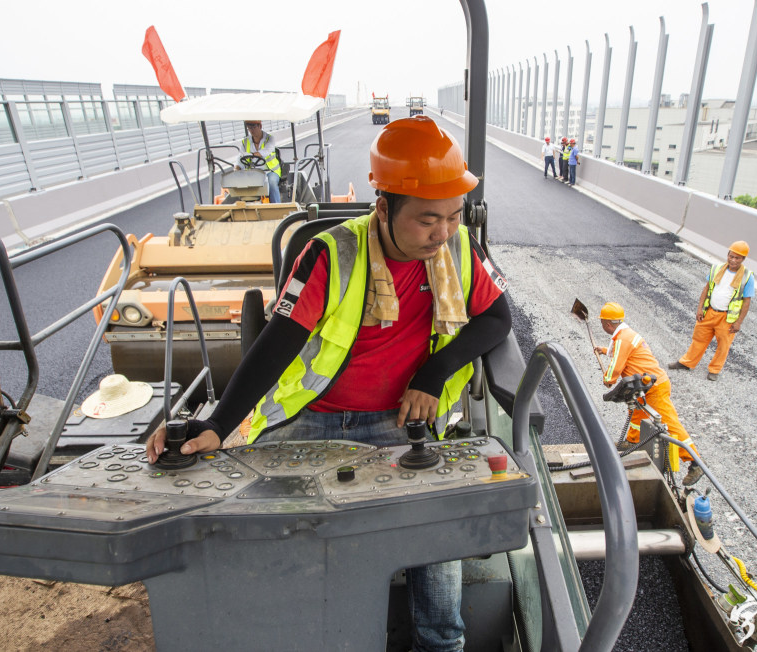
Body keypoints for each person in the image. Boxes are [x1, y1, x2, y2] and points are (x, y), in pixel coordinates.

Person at [147, 115, 512, 652]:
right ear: (383, 208)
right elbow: (277, 342)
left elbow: (496, 318)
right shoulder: (332, 253)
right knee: (252, 526)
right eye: (427, 220)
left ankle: (442, 645)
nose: (442, 234)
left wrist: (431, 375)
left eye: (454, 217)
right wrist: (219, 424)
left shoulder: (457, 253)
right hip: (312, 422)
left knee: (439, 534)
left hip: (399, 426)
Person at [594, 302, 704, 486]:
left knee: (670, 423)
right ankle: (632, 440)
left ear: (606, 323)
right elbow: (621, 353)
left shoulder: (623, 338)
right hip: (645, 386)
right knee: (636, 413)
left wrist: (608, 379)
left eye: (602, 323)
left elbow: (617, 366)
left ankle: (695, 462)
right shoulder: (624, 334)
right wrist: (604, 350)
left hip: (654, 386)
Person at [669, 241, 754, 381]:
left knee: (723, 345)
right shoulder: (716, 269)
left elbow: (747, 301)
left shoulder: (747, 277)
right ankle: (687, 362)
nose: (733, 260)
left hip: (727, 318)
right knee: (699, 339)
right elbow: (707, 288)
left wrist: (739, 322)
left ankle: (714, 370)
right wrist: (700, 308)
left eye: (737, 258)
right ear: (728, 255)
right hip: (709, 312)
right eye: (731, 256)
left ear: (743, 259)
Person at [236, 120, 282, 202]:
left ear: (260, 126)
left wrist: (251, 155)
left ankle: (276, 207)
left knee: (272, 183)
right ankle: (246, 207)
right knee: (240, 184)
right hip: (253, 172)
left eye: (254, 127)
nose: (252, 130)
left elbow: (266, 151)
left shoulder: (269, 139)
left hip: (270, 171)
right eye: (249, 128)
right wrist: (237, 168)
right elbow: (240, 156)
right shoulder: (245, 142)